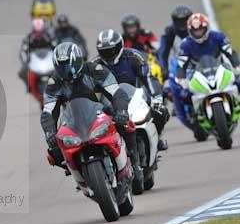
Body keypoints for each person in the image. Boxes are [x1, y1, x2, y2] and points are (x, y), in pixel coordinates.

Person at [41, 42, 133, 191]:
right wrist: (49, 132)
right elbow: (48, 111)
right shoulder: (55, 82)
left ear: (78, 60)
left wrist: (121, 110)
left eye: (68, 65)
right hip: (73, 120)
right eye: (62, 67)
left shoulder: (95, 70)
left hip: (103, 111)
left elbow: (116, 92)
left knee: (127, 125)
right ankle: (80, 175)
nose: (66, 71)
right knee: (54, 151)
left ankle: (134, 161)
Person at [95, 29, 170, 154]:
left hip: (136, 97)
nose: (108, 54)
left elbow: (149, 78)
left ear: (119, 46)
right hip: (109, 104)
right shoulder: (95, 64)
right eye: (104, 51)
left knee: (161, 111)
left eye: (111, 50)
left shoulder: (134, 56)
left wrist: (157, 97)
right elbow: (88, 87)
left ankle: (157, 138)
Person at [176, 13, 240, 83]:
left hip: (222, 72)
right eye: (195, 31)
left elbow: (231, 53)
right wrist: (180, 78)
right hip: (198, 78)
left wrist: (237, 65)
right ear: (190, 31)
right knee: (181, 92)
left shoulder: (218, 37)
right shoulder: (186, 44)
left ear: (206, 28)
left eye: (200, 29)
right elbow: (181, 65)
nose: (198, 33)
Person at [158, 5, 193, 79]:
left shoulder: (198, 30)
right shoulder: (169, 32)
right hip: (178, 67)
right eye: (179, 21)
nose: (182, 24)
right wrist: (164, 69)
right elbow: (162, 53)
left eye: (185, 20)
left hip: (197, 66)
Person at [18, 18, 55, 85]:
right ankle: (29, 86)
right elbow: (23, 50)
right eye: (37, 30)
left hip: (48, 59)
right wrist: (25, 61)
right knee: (22, 73)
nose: (39, 32)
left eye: (40, 29)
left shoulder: (49, 36)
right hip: (33, 60)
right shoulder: (28, 37)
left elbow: (56, 46)